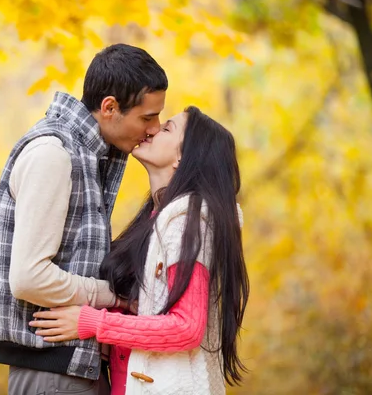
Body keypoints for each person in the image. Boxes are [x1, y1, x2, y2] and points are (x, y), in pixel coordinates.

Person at [0, 43, 168, 395]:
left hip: (73, 364)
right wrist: (113, 298)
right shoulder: (54, 154)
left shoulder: (88, 154)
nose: (155, 128)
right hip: (52, 371)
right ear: (110, 107)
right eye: (147, 117)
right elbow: (28, 277)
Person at [30, 107, 250, 395]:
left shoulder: (189, 222)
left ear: (183, 157)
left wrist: (93, 323)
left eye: (167, 128)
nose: (153, 129)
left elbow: (186, 328)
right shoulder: (158, 218)